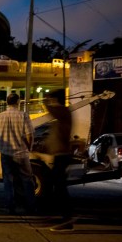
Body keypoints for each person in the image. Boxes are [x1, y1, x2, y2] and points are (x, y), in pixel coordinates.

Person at [0, 93, 36, 214]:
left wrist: (0, 146)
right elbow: (30, 135)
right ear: (18, 102)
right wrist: (29, 148)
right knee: (27, 180)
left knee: (8, 181)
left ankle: (10, 207)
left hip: (6, 153)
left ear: (7, 102)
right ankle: (31, 206)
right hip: (21, 153)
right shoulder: (23, 115)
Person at [42, 90, 76, 231]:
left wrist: (45, 100)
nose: (51, 102)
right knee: (54, 186)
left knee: (59, 188)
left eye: (52, 99)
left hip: (62, 155)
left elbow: (51, 110)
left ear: (57, 99)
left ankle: (67, 220)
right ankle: (63, 217)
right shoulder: (62, 113)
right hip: (59, 155)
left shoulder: (63, 111)